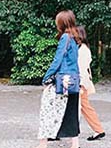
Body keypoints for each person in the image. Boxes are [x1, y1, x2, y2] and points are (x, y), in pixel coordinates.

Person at [35, 10, 82, 148]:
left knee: (48, 109)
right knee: (71, 111)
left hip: (62, 81)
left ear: (61, 23)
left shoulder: (65, 38)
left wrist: (46, 77)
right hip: (73, 80)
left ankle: (43, 143)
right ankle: (75, 143)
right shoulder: (75, 38)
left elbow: (58, 60)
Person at [77, 25, 106, 142]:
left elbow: (81, 68)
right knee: (83, 107)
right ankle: (98, 129)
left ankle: (98, 129)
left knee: (82, 107)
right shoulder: (81, 48)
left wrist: (80, 84)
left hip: (80, 82)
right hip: (80, 82)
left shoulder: (83, 50)